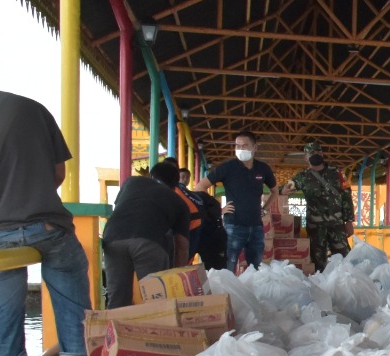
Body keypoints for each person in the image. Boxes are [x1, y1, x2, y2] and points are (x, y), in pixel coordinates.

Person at [0, 35, 91, 356]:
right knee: (76, 320)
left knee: (2, 328)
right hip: (50, 228)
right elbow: (59, 174)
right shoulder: (31, 108)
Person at [101, 162, 190, 308]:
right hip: (149, 242)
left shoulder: (131, 182)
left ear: (151, 176)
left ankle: (115, 329)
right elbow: (182, 246)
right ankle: (154, 329)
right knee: (155, 299)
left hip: (113, 239)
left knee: (117, 297)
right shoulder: (179, 202)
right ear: (175, 185)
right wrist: (174, 277)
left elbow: (121, 208)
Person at [193, 130, 276, 271]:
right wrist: (218, 209)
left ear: (254, 147)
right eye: (237, 146)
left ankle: (252, 293)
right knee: (227, 268)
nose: (240, 149)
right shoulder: (227, 168)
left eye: (244, 146)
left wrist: (265, 208)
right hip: (233, 227)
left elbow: (275, 191)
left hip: (256, 227)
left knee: (256, 269)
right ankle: (227, 292)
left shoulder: (263, 169)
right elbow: (199, 187)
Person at [280, 141, 354, 272]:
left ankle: (345, 285)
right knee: (318, 260)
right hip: (315, 225)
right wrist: (282, 191)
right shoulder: (302, 176)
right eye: (311, 152)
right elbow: (285, 188)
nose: (315, 154)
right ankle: (321, 288)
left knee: (344, 257)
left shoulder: (337, 173)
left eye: (318, 151)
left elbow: (346, 196)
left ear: (322, 153)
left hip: (336, 224)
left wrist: (349, 221)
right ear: (305, 157)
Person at [171, 165, 204, 261]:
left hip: (186, 224)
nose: (184, 179)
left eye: (187, 177)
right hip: (195, 224)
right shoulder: (192, 195)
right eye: (182, 177)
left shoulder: (174, 190)